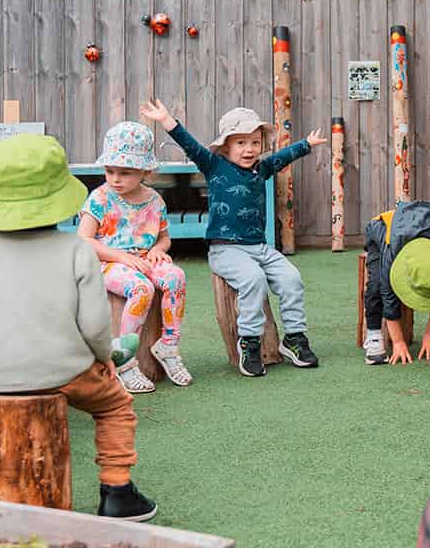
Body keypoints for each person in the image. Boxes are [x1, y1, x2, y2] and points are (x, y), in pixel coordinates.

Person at [0, 134, 159, 522]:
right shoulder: (75, 250)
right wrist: (104, 359)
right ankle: (117, 490)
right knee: (115, 405)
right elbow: (95, 325)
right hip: (61, 371)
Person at [139, 98, 325, 377]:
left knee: (291, 279)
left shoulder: (261, 169)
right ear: (226, 147)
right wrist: (167, 120)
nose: (249, 149)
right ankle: (249, 343)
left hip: (260, 247)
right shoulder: (214, 165)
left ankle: (294, 338)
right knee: (253, 280)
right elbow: (189, 143)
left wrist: (306, 145)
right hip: (225, 249)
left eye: (255, 142)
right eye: (241, 143)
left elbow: (281, 158)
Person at [77, 122, 191, 392]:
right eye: (110, 171)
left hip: (143, 258)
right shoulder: (100, 199)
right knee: (142, 288)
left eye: (125, 172)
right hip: (107, 262)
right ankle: (125, 361)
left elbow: (164, 237)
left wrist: (157, 250)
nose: (115, 179)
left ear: (145, 171)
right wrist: (121, 257)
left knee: (175, 277)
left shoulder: (154, 201)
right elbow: (84, 239)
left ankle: (169, 346)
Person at [362, 201, 430, 364]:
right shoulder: (392, 254)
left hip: (418, 228)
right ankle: (374, 335)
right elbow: (387, 295)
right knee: (376, 284)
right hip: (382, 230)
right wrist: (398, 342)